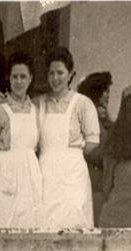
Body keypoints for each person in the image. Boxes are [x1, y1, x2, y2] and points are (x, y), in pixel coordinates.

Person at [36, 47, 101, 230]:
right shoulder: (38, 103)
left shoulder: (83, 104)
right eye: (51, 73)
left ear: (71, 74)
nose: (55, 78)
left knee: (74, 223)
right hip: (45, 172)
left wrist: (74, 155)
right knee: (45, 223)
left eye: (60, 73)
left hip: (73, 175)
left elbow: (92, 144)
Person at [0, 52, 43, 231]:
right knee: (3, 224)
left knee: (30, 226)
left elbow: (37, 149)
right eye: (14, 76)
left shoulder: (36, 112)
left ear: (30, 78)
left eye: (23, 76)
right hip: (4, 177)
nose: (18, 81)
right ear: (8, 78)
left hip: (30, 178)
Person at [78, 72, 114, 224]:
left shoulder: (102, 116)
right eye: (104, 91)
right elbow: (90, 150)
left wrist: (106, 119)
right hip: (93, 182)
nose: (107, 95)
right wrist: (109, 156)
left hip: (102, 181)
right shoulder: (86, 114)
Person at [100, 88, 131, 228]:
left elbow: (107, 188)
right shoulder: (115, 145)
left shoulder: (114, 145)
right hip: (116, 222)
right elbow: (106, 188)